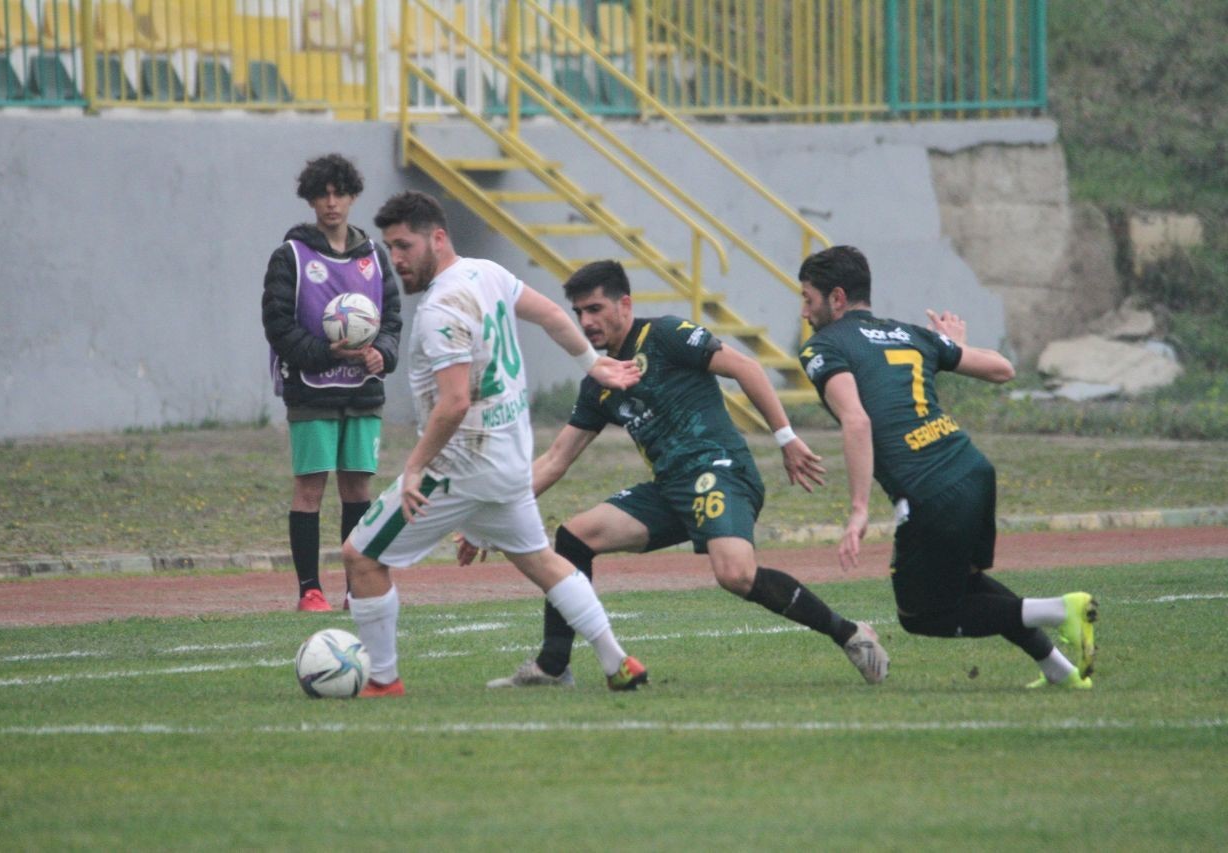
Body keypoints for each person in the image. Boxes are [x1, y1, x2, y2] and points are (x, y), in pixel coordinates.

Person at [478, 259, 889, 689]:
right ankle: (553, 665)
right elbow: (555, 460)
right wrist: (493, 515)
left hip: (720, 470)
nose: (586, 321)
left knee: (735, 575)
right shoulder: (598, 381)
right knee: (575, 537)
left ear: (625, 304)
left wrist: (785, 438)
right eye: (579, 312)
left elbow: (746, 368)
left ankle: (850, 634)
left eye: (596, 309)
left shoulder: (665, 336)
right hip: (671, 489)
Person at [342, 192, 649, 697]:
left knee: (360, 556)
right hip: (507, 461)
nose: (395, 259)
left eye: (404, 245)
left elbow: (455, 402)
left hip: (459, 467)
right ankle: (617, 660)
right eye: (390, 248)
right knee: (542, 563)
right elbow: (551, 312)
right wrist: (590, 363)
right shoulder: (486, 272)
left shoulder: (443, 305)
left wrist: (416, 468)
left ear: (437, 238)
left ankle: (382, 679)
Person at [795, 245, 1098, 688]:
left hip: (930, 491)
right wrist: (953, 346)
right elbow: (1003, 370)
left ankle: (1060, 609)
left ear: (837, 298)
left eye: (808, 298)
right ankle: (1061, 670)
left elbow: (856, 420)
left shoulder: (824, 346)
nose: (804, 311)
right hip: (973, 471)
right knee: (964, 585)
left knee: (922, 614)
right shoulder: (908, 333)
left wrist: (859, 509)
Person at [262, 154, 402, 612]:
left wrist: (383, 352)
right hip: (311, 393)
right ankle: (309, 590)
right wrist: (327, 353)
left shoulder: (374, 258)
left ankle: (354, 588)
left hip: (362, 392)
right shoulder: (291, 256)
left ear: (353, 196)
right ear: (309, 199)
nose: (331, 202)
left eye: (339, 192)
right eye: (321, 194)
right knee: (309, 490)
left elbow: (393, 321)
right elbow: (278, 327)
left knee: (358, 491)